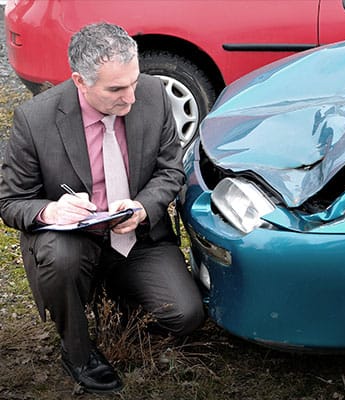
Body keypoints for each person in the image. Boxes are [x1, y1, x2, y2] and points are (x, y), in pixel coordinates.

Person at [0, 22, 204, 394]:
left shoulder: (154, 94)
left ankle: (120, 294)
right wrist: (51, 211)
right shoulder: (35, 120)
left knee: (186, 316)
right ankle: (77, 351)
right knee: (61, 257)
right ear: (80, 81)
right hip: (74, 241)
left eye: (133, 81)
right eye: (115, 89)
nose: (131, 98)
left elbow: (170, 169)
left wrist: (143, 207)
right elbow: (11, 201)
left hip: (139, 238)